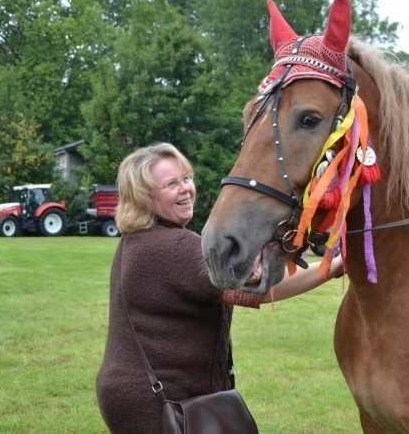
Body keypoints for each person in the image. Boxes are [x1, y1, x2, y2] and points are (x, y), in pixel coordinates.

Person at [96, 143, 343, 433]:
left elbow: (233, 289)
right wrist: (335, 266)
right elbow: (259, 290)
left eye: (187, 178)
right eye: (171, 184)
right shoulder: (175, 247)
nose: (186, 188)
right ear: (144, 197)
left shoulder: (140, 239)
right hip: (158, 400)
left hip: (138, 392)